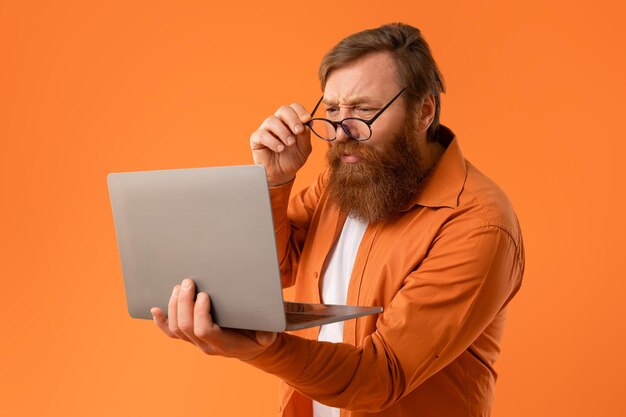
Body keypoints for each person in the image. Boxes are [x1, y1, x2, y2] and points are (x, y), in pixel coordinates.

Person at [151, 23, 525, 417]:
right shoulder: (344, 179)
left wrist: (263, 347)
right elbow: (278, 267)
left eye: (363, 110)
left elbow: (382, 376)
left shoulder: (479, 224)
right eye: (331, 111)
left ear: (424, 111)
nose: (342, 132)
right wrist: (275, 182)